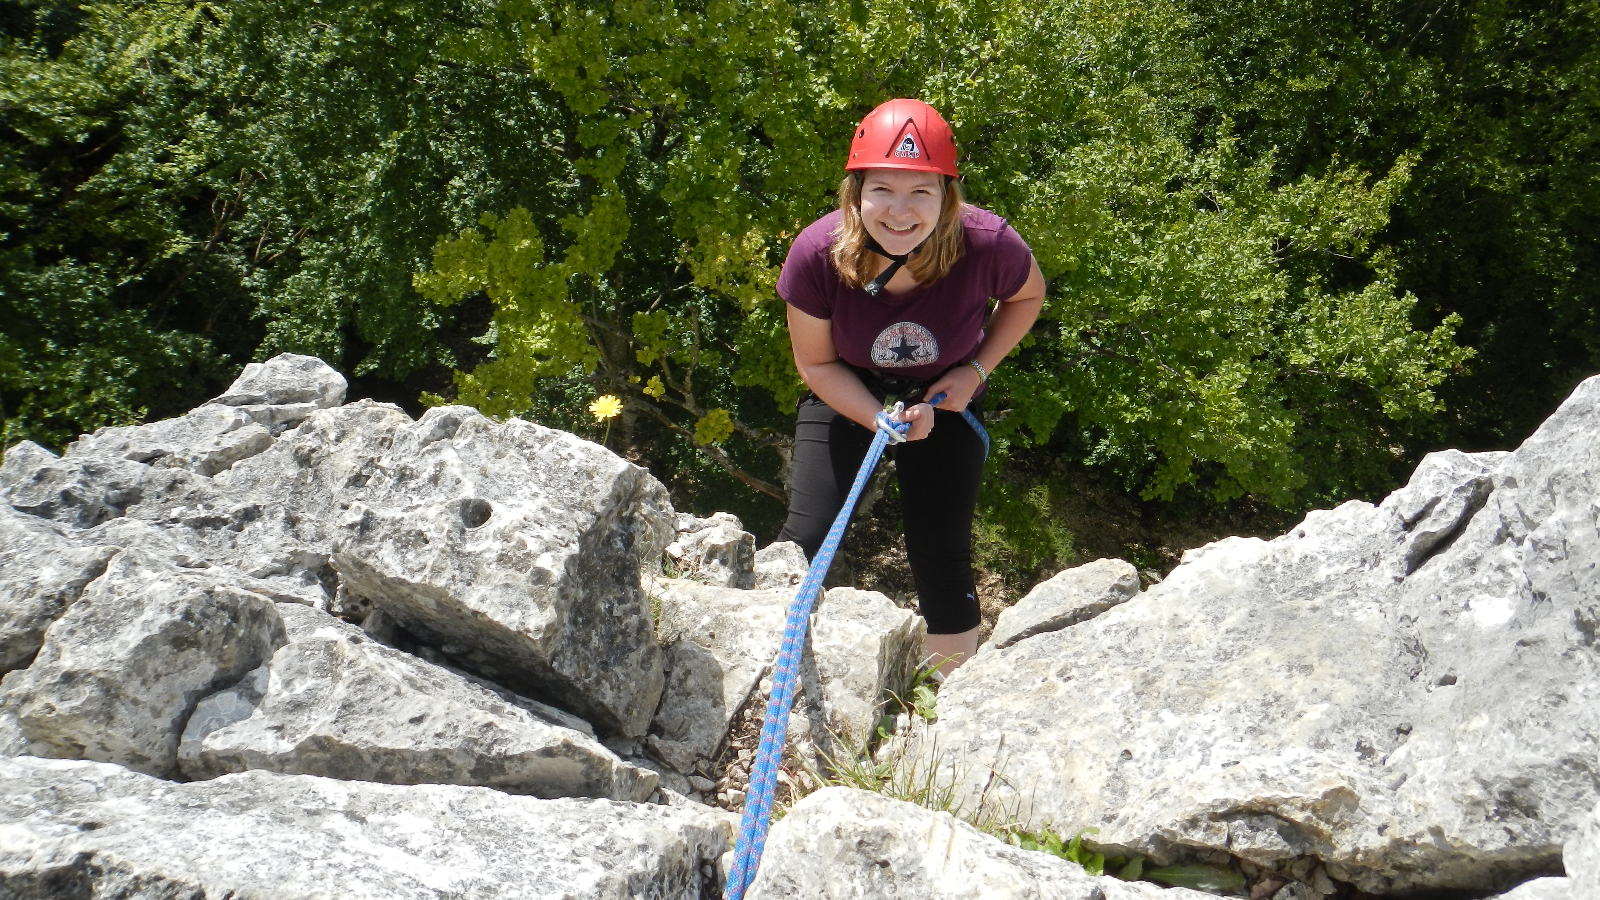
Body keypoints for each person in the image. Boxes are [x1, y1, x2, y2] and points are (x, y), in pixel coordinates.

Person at [774, 98, 1046, 677]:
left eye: (921, 191)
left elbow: (1028, 296)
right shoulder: (817, 254)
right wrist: (878, 418)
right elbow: (817, 365)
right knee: (806, 538)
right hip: (848, 386)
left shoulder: (987, 243)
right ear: (856, 193)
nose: (901, 212)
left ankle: (948, 703)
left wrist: (975, 373)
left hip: (946, 392)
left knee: (941, 553)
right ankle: (770, 670)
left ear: (947, 196)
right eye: (882, 190)